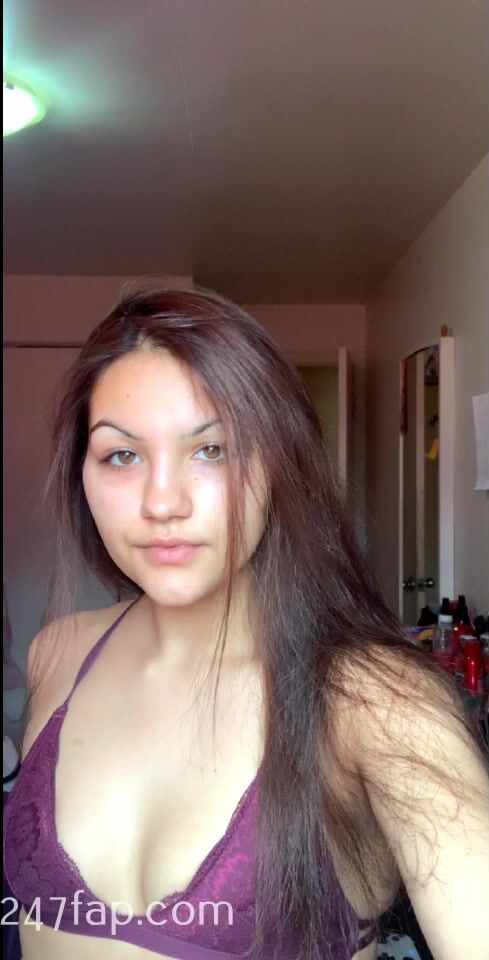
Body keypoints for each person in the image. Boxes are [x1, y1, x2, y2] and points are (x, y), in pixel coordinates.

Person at [3, 287, 489, 960]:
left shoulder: (377, 703)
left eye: (213, 450)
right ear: (82, 475)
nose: (162, 502)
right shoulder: (56, 653)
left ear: (279, 465)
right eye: (122, 455)